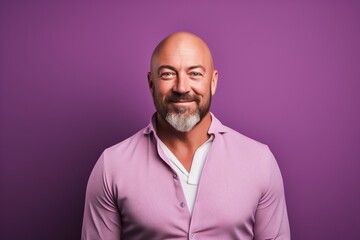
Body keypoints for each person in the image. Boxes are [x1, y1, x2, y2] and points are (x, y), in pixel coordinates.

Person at [81, 31, 290, 240]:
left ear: (213, 81)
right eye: (168, 74)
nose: (182, 87)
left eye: (195, 74)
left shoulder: (259, 161)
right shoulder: (112, 166)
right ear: (151, 83)